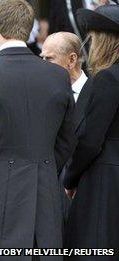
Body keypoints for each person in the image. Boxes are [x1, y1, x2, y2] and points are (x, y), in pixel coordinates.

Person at [0, 0, 76, 259]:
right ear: (27, 29)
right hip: (44, 187)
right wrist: (43, 166)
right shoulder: (58, 76)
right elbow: (67, 139)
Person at [64, 5, 119, 255]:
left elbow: (90, 141)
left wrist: (70, 177)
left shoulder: (108, 78)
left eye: (95, 38)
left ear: (105, 41)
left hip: (104, 183)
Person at [40, 31, 90, 230]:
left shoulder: (98, 92)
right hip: (48, 195)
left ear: (72, 60)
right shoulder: (40, 94)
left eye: (49, 58)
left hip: (86, 193)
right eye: (41, 57)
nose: (42, 64)